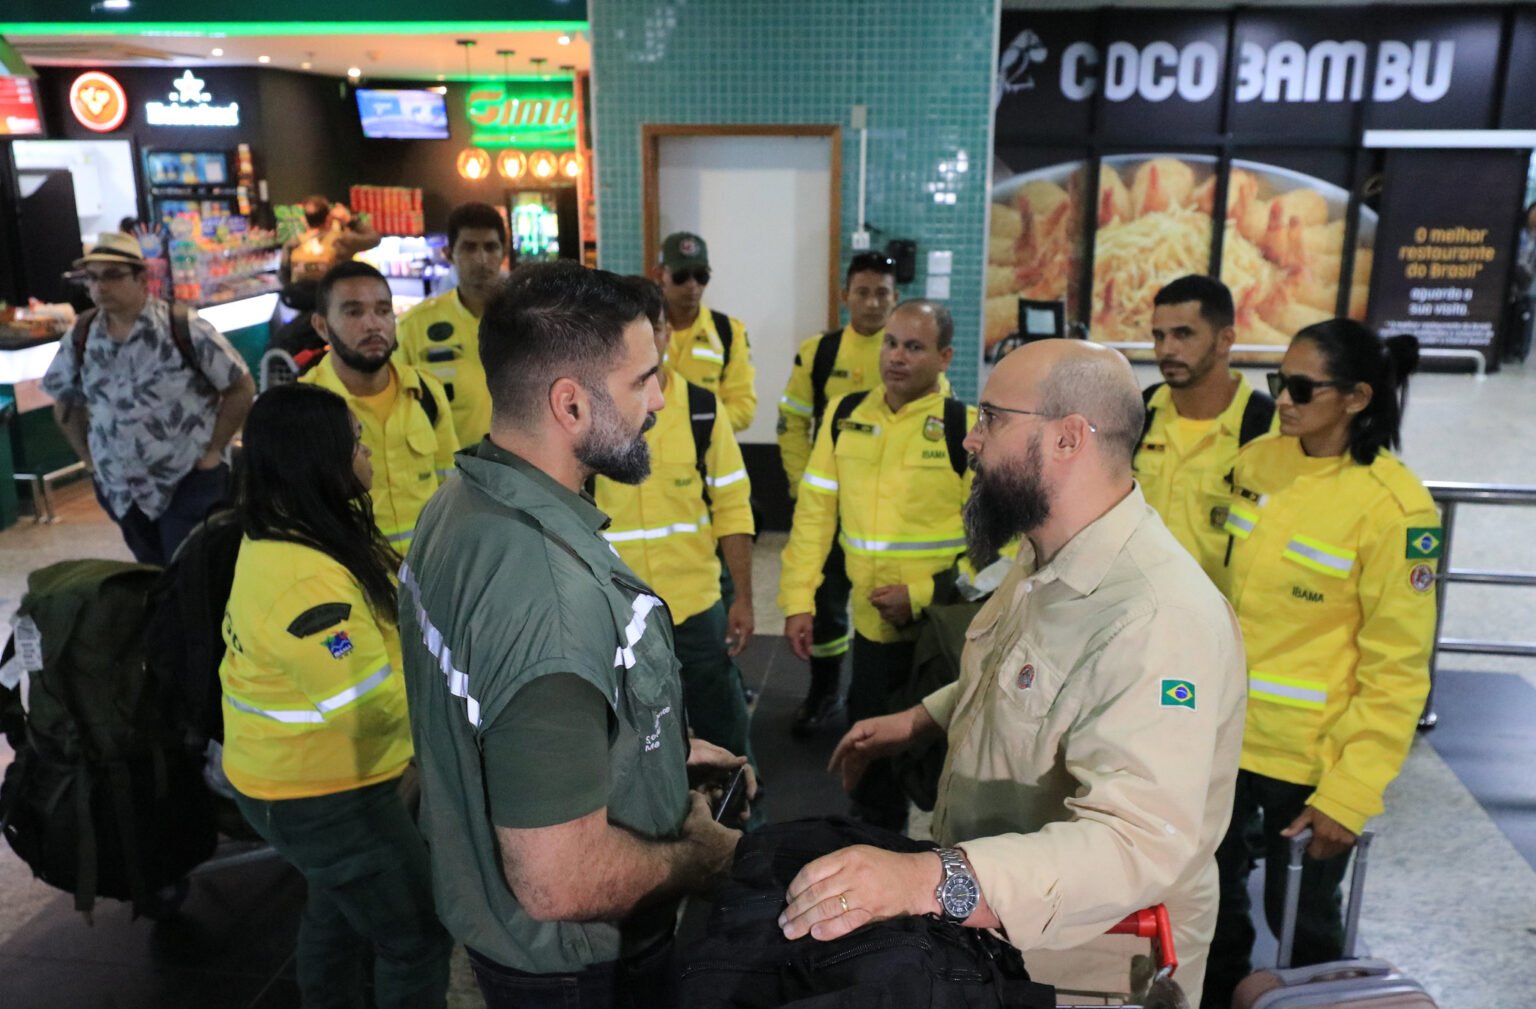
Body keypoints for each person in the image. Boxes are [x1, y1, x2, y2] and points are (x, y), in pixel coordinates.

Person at [779, 339, 1246, 1007]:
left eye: (992, 417)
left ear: (1067, 439)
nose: (970, 439)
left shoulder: (1157, 617)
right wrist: (923, 717)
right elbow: (1026, 676)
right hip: (1005, 937)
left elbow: (1134, 842)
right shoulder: (1046, 556)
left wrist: (929, 881)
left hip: (1092, 961)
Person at [398, 261, 751, 1009]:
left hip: (499, 926)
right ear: (570, 403)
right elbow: (560, 877)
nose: (659, 399)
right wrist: (701, 858)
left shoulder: (461, 502)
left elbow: (505, 712)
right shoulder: (549, 594)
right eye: (642, 380)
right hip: (575, 968)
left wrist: (664, 753)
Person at [1202, 320, 1438, 1009]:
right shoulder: (1258, 464)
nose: (1282, 398)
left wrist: (1350, 792)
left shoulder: (1395, 509)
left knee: (1302, 929)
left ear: (1358, 397)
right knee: (1212, 913)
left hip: (1308, 766)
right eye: (1279, 381)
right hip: (1223, 740)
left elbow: (1396, 668)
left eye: (1302, 387)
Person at [218, 383, 452, 1009]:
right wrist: (456, 727)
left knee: (341, 906)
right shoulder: (306, 585)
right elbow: (370, 704)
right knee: (415, 937)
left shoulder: (291, 531)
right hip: (320, 795)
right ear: (317, 460)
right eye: (353, 441)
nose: (367, 449)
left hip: (299, 781)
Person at [777, 299, 975, 832]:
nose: (897, 357)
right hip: (871, 633)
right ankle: (875, 848)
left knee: (946, 764)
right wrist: (798, 601)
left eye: (914, 347)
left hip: (943, 633)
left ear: (944, 356)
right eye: (891, 343)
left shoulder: (967, 430)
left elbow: (996, 551)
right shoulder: (845, 417)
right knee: (868, 759)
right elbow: (814, 517)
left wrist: (921, 593)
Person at [592, 277, 757, 767]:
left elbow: (732, 506)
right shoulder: (590, 416)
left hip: (695, 605)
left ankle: (747, 819)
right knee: (629, 739)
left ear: (666, 333)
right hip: (613, 614)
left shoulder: (703, 409)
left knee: (724, 727)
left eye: (655, 326)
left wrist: (743, 597)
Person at [43, 231, 255, 565]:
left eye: (112, 276)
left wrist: (215, 449)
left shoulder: (182, 326)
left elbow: (240, 387)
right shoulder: (82, 335)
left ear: (142, 278)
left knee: (191, 572)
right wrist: (88, 459)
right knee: (151, 575)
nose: (100, 287)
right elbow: (66, 402)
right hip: (121, 489)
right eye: (93, 278)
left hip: (188, 478)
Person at [777, 252, 902, 736]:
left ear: (895, 298)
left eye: (883, 293)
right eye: (864, 292)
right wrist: (800, 485)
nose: (873, 303)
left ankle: (875, 698)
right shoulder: (820, 353)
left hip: (890, 514)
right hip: (831, 508)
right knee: (827, 605)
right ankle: (824, 691)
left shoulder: (907, 352)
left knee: (881, 605)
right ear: (845, 296)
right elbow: (790, 424)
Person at [301, 261, 458, 553]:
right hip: (355, 584)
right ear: (321, 327)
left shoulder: (426, 392)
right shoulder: (306, 408)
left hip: (429, 580)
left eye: (383, 311)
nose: (373, 324)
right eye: (353, 312)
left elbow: (451, 490)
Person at [1138, 275, 1275, 584]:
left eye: (1183, 334)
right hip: (1137, 616)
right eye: (1159, 336)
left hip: (1225, 622)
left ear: (1225, 340)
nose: (1166, 349)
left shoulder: (1268, 427)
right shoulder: (1138, 414)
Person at [398, 202, 512, 448]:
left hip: (517, 472)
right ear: (449, 253)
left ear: (504, 252)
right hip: (449, 473)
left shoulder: (530, 321)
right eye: (469, 248)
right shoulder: (414, 327)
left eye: (490, 247)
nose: (482, 259)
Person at [654, 232, 756, 432]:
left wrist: (697, 424)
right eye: (681, 276)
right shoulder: (641, 329)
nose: (692, 285)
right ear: (659, 275)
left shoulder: (729, 331)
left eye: (701, 276)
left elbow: (743, 407)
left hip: (707, 451)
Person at [281, 194, 382, 285]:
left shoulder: (292, 244)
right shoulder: (340, 241)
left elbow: (283, 277)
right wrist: (349, 220)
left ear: (304, 219)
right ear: (328, 218)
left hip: (301, 303)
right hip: (332, 300)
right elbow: (374, 239)